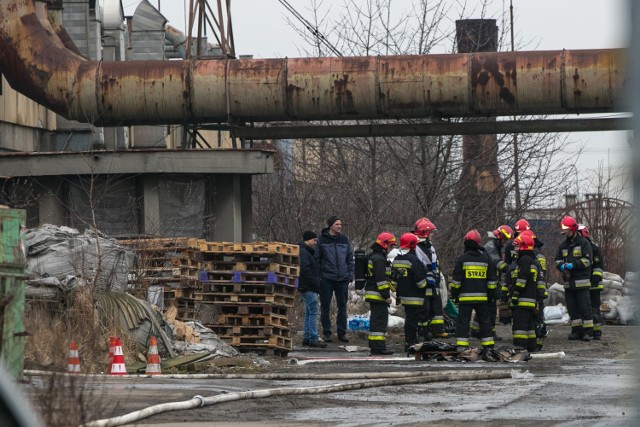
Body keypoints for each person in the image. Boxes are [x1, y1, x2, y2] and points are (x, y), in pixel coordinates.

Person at [450, 229, 497, 351]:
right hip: (482, 298)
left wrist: (454, 294)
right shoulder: (485, 259)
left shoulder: (462, 259)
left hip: (465, 298)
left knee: (463, 321)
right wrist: (490, 295)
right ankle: (488, 346)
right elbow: (492, 281)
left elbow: (456, 282)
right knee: (485, 321)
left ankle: (462, 345)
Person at [554, 215, 594, 341]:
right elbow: (557, 259)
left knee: (585, 308)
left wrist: (572, 265)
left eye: (567, 231)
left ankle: (588, 332)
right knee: (573, 309)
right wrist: (561, 266)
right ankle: (576, 331)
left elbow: (587, 261)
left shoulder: (584, 243)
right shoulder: (563, 245)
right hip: (569, 283)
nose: (565, 234)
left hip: (581, 283)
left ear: (573, 229)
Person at [316, 215, 355, 343]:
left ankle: (341, 332)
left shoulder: (344, 239)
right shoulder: (321, 240)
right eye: (337, 224)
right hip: (327, 278)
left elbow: (350, 258)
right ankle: (327, 332)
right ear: (330, 226)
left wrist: (350, 274)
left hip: (342, 278)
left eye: (340, 224)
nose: (339, 226)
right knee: (325, 306)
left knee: (342, 307)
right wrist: (319, 276)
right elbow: (317, 259)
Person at [471, 224, 513, 340]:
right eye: (504, 240)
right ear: (499, 238)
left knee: (486, 307)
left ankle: (475, 330)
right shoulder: (490, 247)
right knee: (491, 308)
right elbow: (497, 262)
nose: (505, 243)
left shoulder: (495, 246)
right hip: (487, 282)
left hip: (490, 280)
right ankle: (489, 332)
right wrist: (510, 269)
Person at [392, 232, 427, 351]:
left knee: (409, 319)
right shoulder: (414, 260)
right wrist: (428, 284)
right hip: (415, 296)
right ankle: (412, 343)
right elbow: (420, 282)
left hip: (403, 295)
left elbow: (394, 279)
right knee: (413, 321)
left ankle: (409, 341)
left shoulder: (397, 259)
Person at [414, 218, 448, 339]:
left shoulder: (430, 247)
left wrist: (437, 276)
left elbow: (435, 263)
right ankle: (423, 332)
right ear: (425, 233)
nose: (432, 235)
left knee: (436, 307)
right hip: (424, 284)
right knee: (425, 309)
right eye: (431, 232)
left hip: (433, 282)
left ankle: (436, 330)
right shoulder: (417, 247)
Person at [509, 233, 544, 352]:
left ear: (523, 247)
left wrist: (515, 295)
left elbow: (522, 279)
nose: (515, 249)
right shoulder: (533, 261)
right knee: (529, 326)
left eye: (517, 247)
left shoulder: (524, 260)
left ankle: (520, 345)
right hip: (530, 300)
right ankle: (531, 345)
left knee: (520, 326)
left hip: (522, 300)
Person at [365, 232, 397, 355]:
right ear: (385, 245)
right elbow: (381, 280)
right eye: (391, 246)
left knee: (376, 320)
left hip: (373, 293)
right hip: (378, 294)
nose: (391, 249)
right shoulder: (379, 259)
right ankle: (378, 347)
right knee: (380, 321)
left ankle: (375, 346)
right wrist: (386, 296)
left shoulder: (375, 256)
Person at [519, 229, 549, 350]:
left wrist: (539, 294)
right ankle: (535, 342)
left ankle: (538, 341)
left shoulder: (536, 257)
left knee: (537, 318)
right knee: (534, 319)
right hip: (535, 292)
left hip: (536, 292)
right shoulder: (534, 254)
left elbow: (541, 276)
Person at [298, 230, 327, 348]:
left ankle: (307, 337)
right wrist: (316, 282)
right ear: (308, 240)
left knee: (308, 312)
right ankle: (313, 338)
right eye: (314, 240)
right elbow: (305, 271)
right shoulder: (304, 253)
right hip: (308, 286)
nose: (316, 242)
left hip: (306, 286)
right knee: (314, 312)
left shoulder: (307, 251)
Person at [578, 224, 605, 340]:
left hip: (594, 285)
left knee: (594, 308)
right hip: (582, 284)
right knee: (584, 308)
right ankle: (585, 331)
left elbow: (598, 266)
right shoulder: (578, 247)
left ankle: (597, 331)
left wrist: (594, 279)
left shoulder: (593, 248)